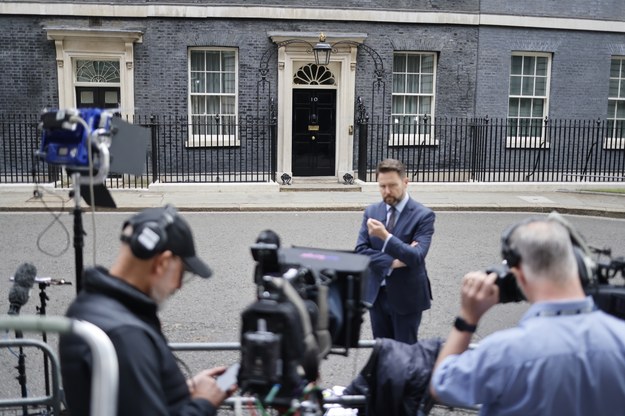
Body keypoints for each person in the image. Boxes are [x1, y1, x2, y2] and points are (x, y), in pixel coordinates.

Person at [430, 217, 625, 415]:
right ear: (578, 265)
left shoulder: (502, 353)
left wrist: (468, 317)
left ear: (519, 276)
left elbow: (442, 386)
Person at [59, 205, 234, 416]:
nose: (178, 286)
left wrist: (177, 391)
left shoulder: (90, 304)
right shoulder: (125, 335)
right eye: (182, 273)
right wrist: (204, 404)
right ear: (162, 263)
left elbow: (127, 399)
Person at [355, 158, 435, 344]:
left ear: (405, 182)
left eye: (392, 185)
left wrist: (385, 237)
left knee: (404, 356)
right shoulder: (372, 212)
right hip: (377, 294)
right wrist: (394, 262)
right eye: (382, 186)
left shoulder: (423, 216)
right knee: (382, 352)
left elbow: (416, 257)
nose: (387, 191)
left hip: (407, 297)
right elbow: (360, 251)